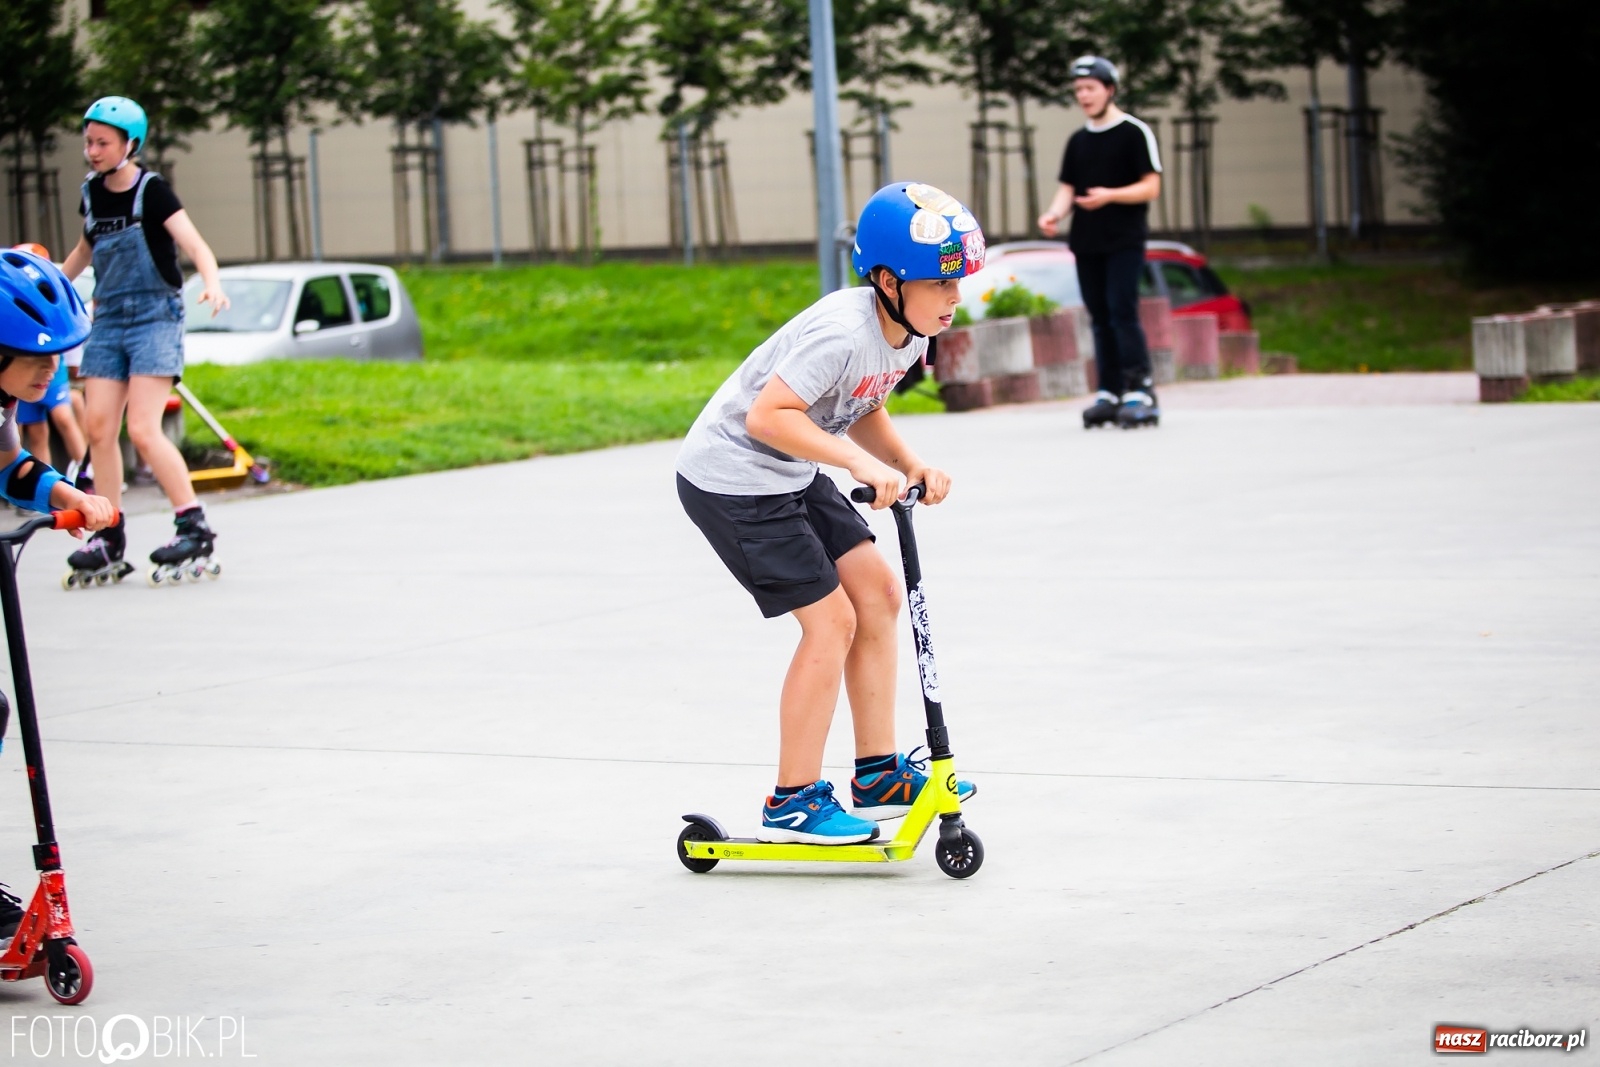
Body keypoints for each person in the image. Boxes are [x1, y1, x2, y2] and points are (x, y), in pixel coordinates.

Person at [675, 182, 979, 845]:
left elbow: (862, 404)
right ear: (888, 280)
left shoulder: (908, 333)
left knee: (876, 593)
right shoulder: (842, 331)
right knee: (829, 620)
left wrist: (904, 462)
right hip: (734, 477)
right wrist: (852, 464)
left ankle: (876, 774)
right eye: (941, 282)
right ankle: (793, 800)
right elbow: (767, 416)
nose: (956, 297)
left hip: (789, 465)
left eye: (959, 281)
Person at [59, 96, 230, 581]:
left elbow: (195, 246)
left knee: (142, 429)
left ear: (129, 144)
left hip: (156, 318)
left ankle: (192, 525)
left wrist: (212, 283)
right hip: (108, 319)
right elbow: (82, 253)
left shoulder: (152, 191)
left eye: (102, 142)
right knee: (97, 428)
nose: (92, 151)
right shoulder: (91, 193)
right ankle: (107, 532)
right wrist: (47, 287)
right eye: (88, 141)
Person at [0, 249, 115, 941]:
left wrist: (64, 491)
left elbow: (9, 465)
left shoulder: (2, 400)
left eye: (56, 357)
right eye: (34, 357)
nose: (50, 371)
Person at [1038, 55, 1164, 429]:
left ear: (1110, 89)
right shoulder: (1078, 141)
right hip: (1087, 242)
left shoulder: (1134, 132)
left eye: (1091, 88)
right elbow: (1068, 189)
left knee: (1122, 310)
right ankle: (1109, 390)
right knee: (1099, 317)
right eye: (1078, 90)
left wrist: (1109, 195)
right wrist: (1053, 214)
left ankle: (1140, 388)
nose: (1084, 96)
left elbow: (1151, 186)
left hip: (1123, 240)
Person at [9, 245, 88, 484]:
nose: (51, 365)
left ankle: (86, 474)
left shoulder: (57, 303)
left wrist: (66, 496)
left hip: (50, 382)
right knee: (36, 431)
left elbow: (9, 466)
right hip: (21, 380)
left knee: (63, 417)